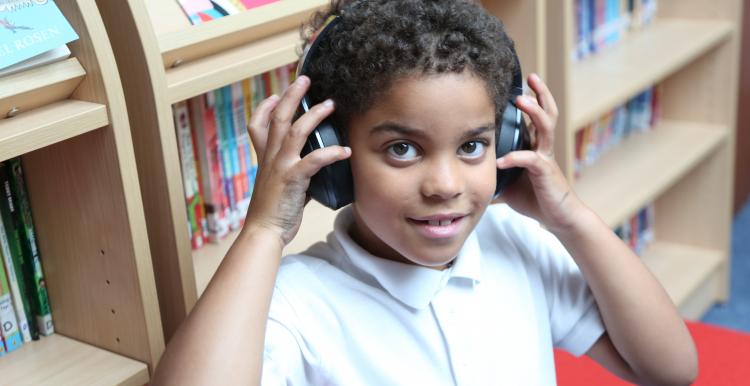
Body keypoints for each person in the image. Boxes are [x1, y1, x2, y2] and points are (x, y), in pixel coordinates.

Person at [152, 0, 697, 385]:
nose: (445, 186)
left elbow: (671, 367)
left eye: (472, 147)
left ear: (509, 145)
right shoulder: (296, 304)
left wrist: (570, 217)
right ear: (331, 155)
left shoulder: (514, 245)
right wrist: (264, 231)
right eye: (402, 150)